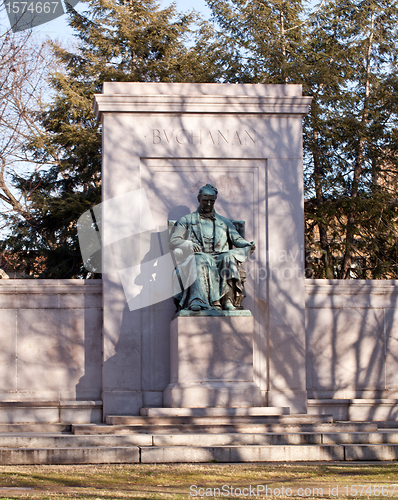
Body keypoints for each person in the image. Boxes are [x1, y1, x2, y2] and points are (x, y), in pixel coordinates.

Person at [169, 184, 255, 311]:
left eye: (211, 200)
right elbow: (174, 240)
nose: (208, 203)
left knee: (228, 257)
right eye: (205, 200)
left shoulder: (224, 222)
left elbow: (237, 240)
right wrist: (189, 244)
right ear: (199, 199)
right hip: (198, 256)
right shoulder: (186, 220)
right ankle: (196, 300)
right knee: (199, 260)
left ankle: (227, 300)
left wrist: (248, 245)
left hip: (219, 257)